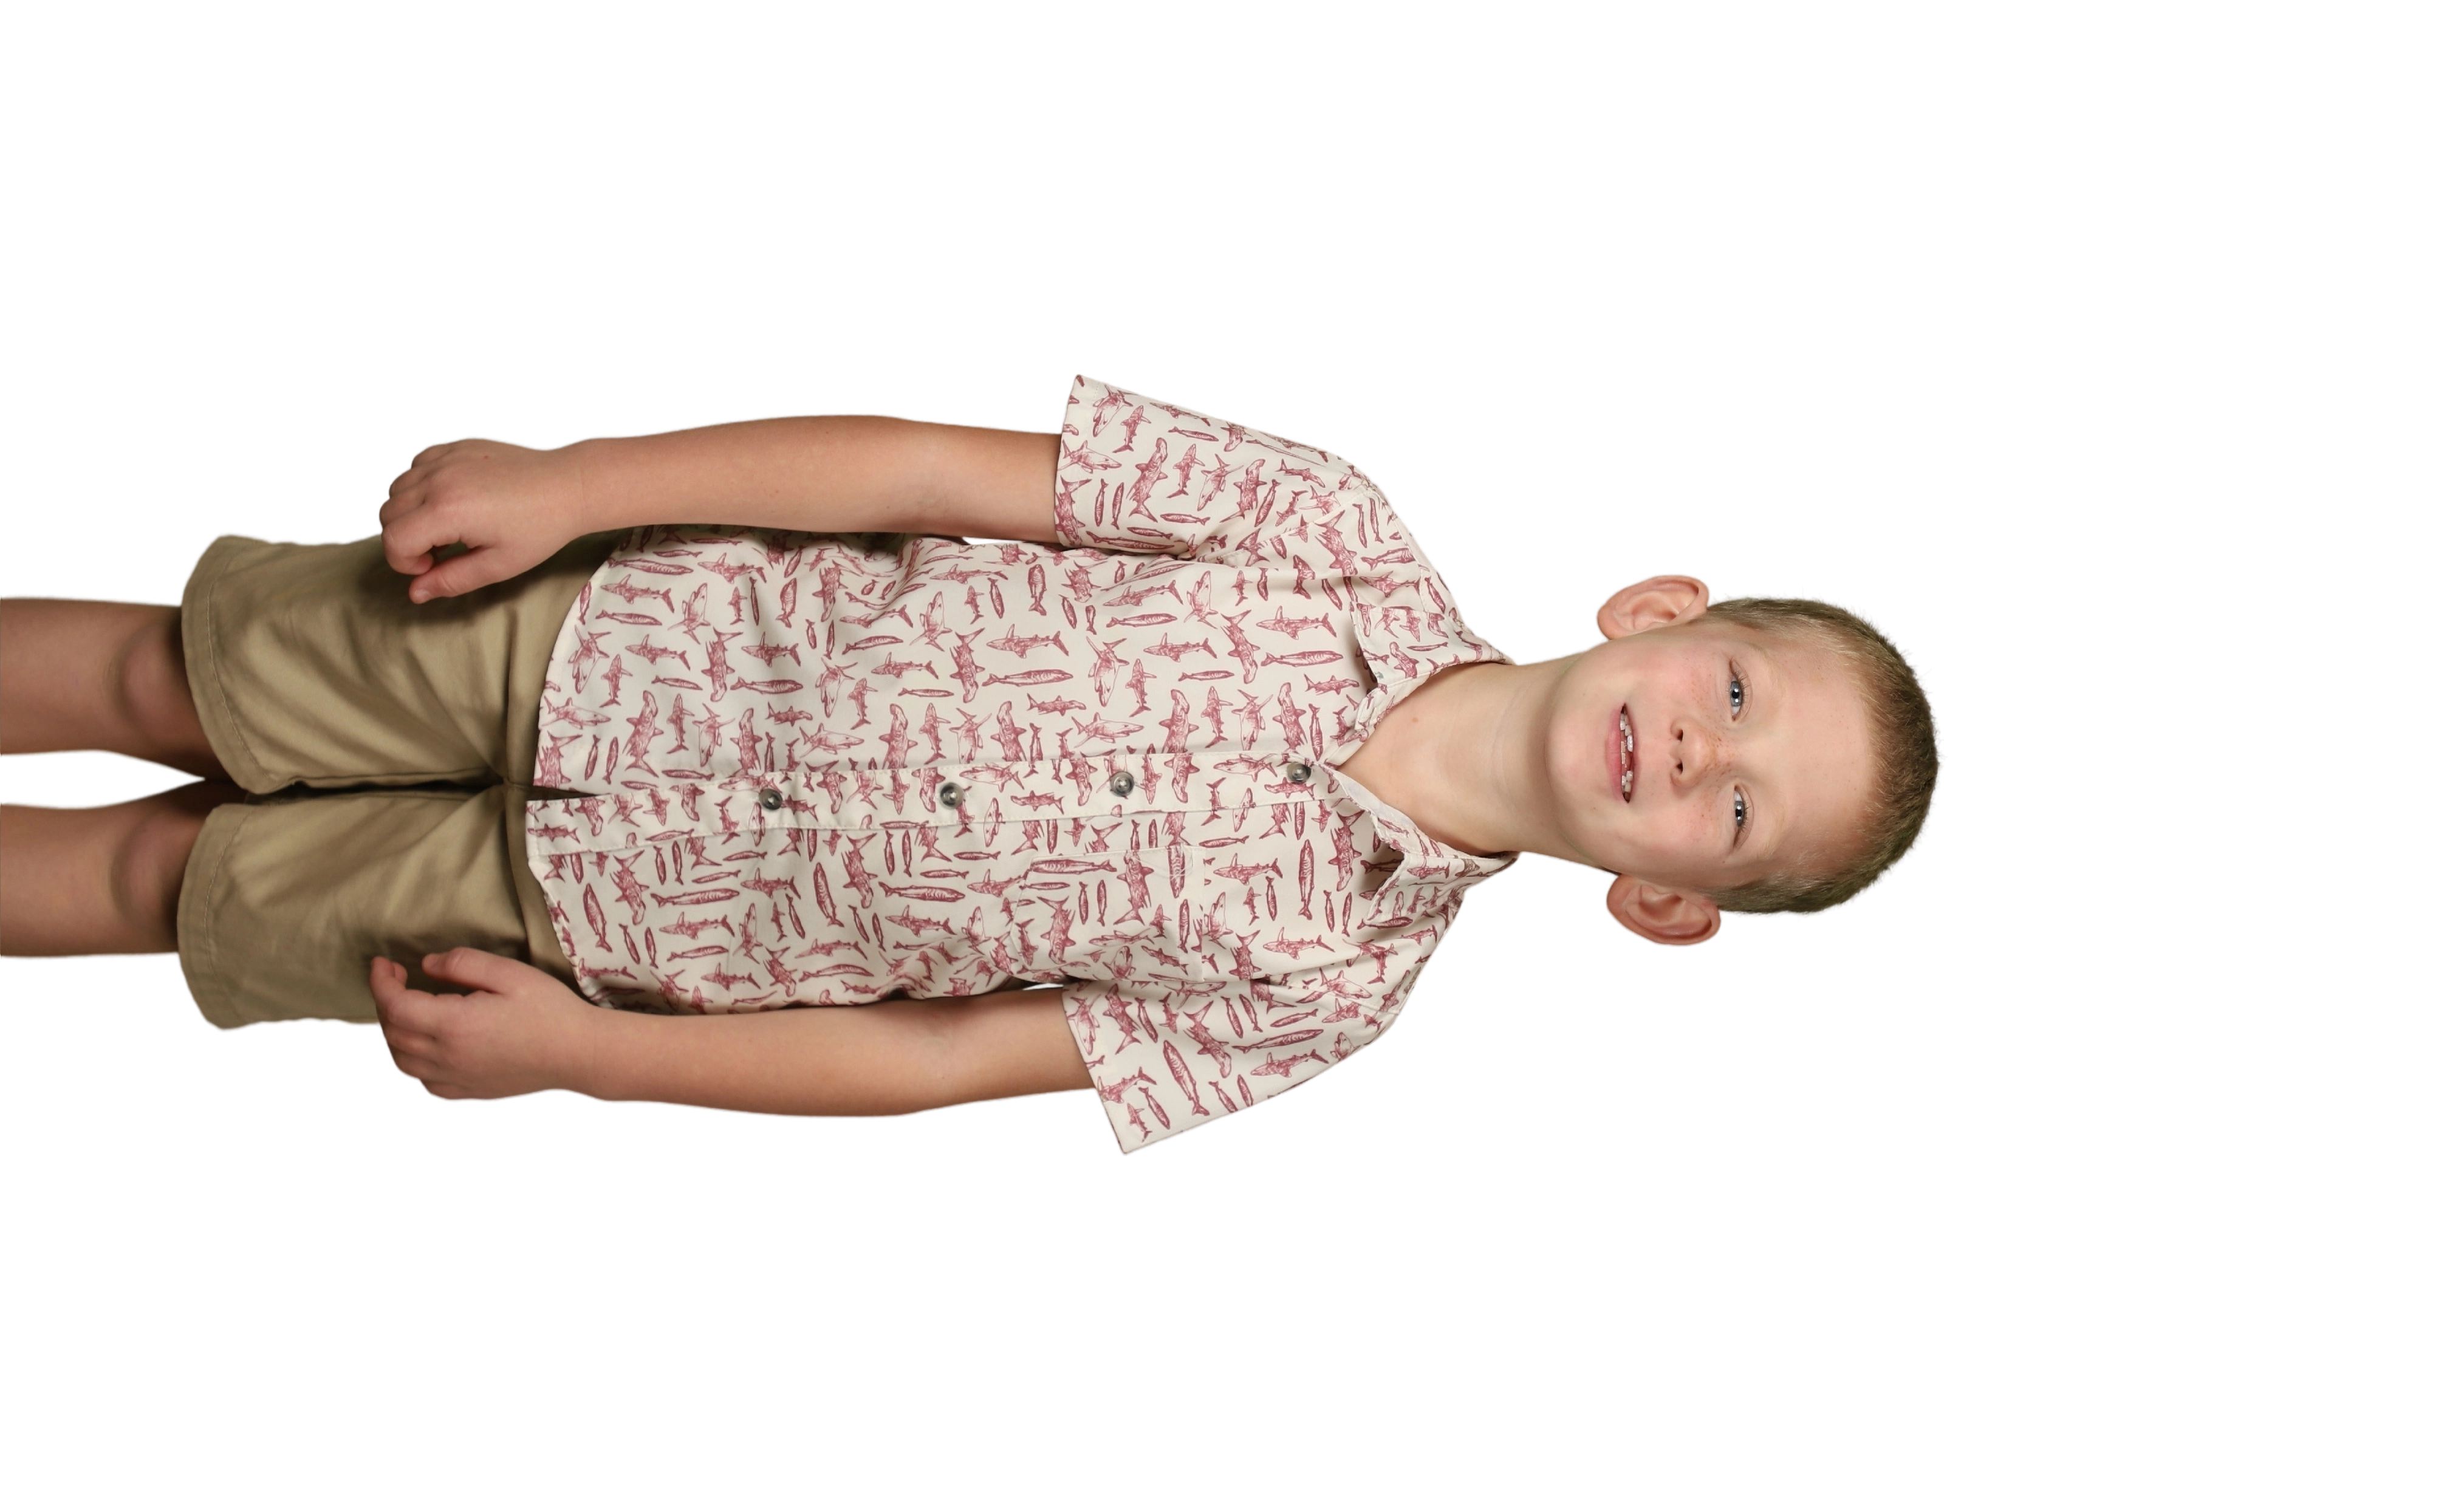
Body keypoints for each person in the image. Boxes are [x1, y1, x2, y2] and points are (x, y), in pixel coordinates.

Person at [0, 375, 1946, 1155]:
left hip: (587, 929)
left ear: (1665, 901)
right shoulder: (1319, 518)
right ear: (1661, 606)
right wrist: (582, 482)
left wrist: (588, 1056)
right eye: (1741, 688)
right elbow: (928, 472)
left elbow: (939, 1061)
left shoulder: (1328, 996)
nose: (1702, 747)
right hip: (597, 629)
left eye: (1739, 804)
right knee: (174, 677)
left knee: (163, 885)